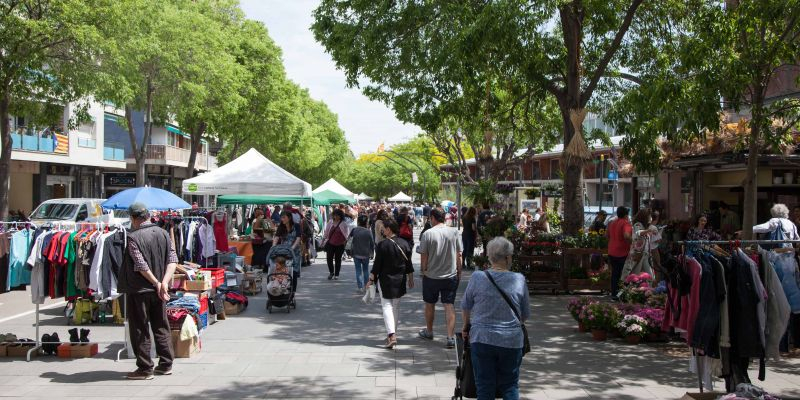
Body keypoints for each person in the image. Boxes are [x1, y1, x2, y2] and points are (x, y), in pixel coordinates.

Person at [461, 237, 529, 400]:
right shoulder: (519, 279)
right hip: (511, 341)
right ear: (507, 258)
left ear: (490, 257)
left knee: (484, 386)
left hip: (482, 338)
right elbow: (525, 314)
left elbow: (465, 305)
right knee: (510, 385)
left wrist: (466, 327)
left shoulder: (477, 277)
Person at [119, 202, 177, 380]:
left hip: (140, 290)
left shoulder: (133, 237)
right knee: (161, 325)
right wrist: (164, 283)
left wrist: (156, 282)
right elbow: (173, 259)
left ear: (134, 218)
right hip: (159, 289)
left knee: (140, 328)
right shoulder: (164, 233)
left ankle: (145, 368)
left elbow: (140, 265)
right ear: (148, 216)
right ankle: (166, 364)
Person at [418, 208, 463, 349]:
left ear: (432, 218)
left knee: (429, 304)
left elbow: (423, 255)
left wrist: (423, 270)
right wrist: (459, 271)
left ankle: (429, 331)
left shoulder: (428, 234)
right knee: (449, 305)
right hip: (450, 275)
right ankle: (450, 337)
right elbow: (459, 254)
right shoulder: (454, 232)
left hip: (431, 275)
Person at [367, 219, 415, 349]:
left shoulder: (382, 245)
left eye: (384, 228)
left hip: (385, 280)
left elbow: (377, 266)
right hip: (400, 280)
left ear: (389, 229)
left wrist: (371, 279)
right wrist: (411, 278)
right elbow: (408, 264)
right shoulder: (405, 243)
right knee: (396, 306)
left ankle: (391, 334)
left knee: (386, 306)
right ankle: (393, 333)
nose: (382, 230)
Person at [621, 209, 657, 278]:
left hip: (645, 254)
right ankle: (630, 287)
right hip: (638, 254)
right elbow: (639, 232)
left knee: (649, 276)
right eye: (649, 216)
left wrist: (650, 231)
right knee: (634, 275)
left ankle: (645, 287)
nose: (650, 218)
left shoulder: (645, 226)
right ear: (645, 217)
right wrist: (649, 230)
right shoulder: (637, 224)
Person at [273, 211, 302, 292]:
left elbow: (298, 238)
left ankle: (292, 292)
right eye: (281, 217)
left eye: (284, 217)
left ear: (289, 218)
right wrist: (273, 246)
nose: (282, 219)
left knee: (294, 272)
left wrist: (293, 247)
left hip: (294, 252)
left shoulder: (296, 226)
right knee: (283, 271)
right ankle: (281, 288)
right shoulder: (281, 227)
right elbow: (276, 237)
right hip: (284, 252)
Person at [607, 206, 632, 300]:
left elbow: (607, 235)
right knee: (624, 274)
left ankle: (614, 293)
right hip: (622, 252)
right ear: (626, 215)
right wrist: (632, 242)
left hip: (612, 251)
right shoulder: (626, 223)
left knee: (615, 273)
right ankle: (622, 294)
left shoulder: (612, 223)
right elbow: (626, 235)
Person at [323, 209, 350, 280]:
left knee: (338, 259)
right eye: (334, 215)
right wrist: (323, 241)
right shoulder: (330, 222)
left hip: (340, 244)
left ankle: (337, 274)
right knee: (329, 258)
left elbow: (347, 234)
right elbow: (326, 232)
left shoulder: (344, 223)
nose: (336, 216)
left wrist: (345, 242)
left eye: (337, 215)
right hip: (330, 243)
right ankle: (331, 272)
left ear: (340, 216)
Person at [350, 214, 375, 294]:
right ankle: (366, 286)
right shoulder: (368, 231)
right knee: (366, 270)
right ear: (366, 222)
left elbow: (349, 240)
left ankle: (360, 287)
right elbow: (372, 243)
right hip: (366, 254)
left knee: (358, 271)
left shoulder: (354, 230)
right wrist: (372, 253)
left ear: (358, 222)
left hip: (356, 253)